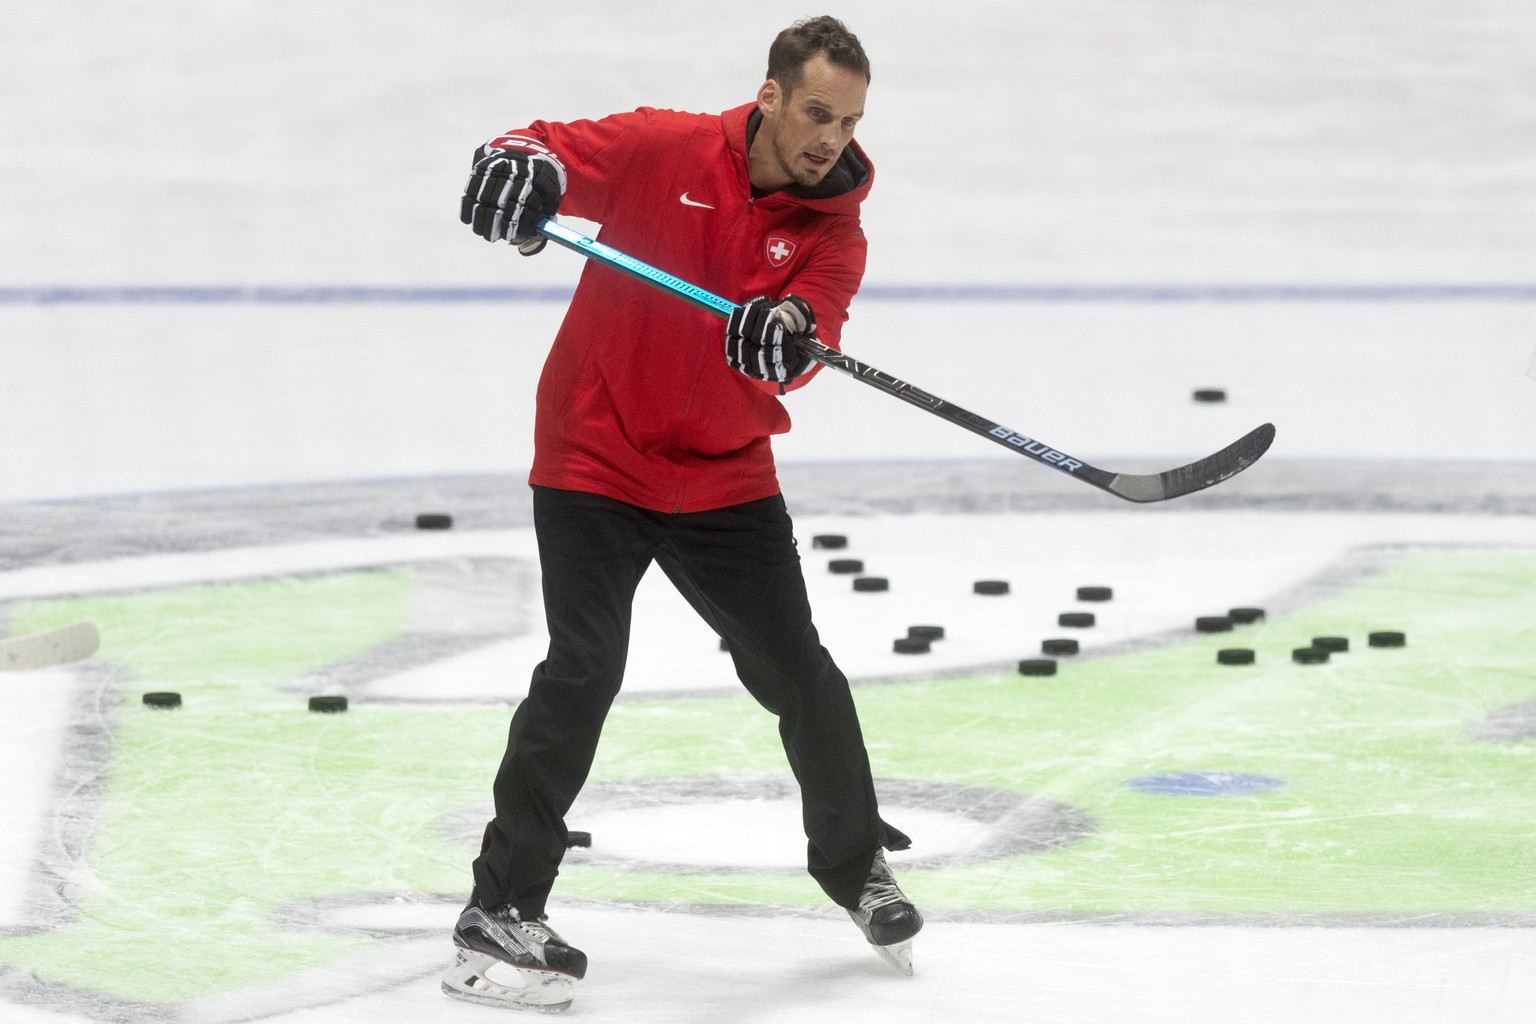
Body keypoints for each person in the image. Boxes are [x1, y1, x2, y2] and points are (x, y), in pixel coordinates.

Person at [441, 16, 922, 1012]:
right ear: (773, 95)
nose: (834, 136)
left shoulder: (836, 227)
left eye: (852, 119)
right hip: (595, 452)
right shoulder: (667, 148)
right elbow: (544, 149)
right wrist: (516, 171)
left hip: (722, 475)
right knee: (585, 664)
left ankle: (857, 865)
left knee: (799, 671)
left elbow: (810, 327)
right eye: (819, 112)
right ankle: (500, 907)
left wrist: (782, 330)